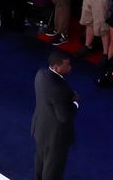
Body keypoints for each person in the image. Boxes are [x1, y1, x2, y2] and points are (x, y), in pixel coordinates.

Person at [32, 50, 77, 180]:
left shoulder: (40, 74)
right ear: (56, 67)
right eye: (67, 65)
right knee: (53, 170)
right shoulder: (59, 89)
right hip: (56, 137)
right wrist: (75, 104)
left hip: (41, 129)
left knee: (40, 162)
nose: (70, 67)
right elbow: (64, 117)